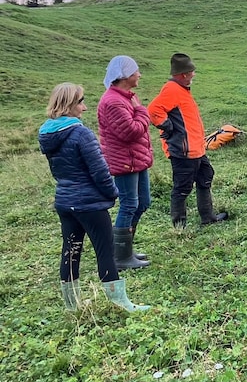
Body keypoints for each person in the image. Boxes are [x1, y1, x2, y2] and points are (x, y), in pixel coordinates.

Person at [39, 83, 150, 313]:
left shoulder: (47, 133)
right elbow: (100, 171)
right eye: (80, 102)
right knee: (105, 252)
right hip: (89, 204)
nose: (84, 107)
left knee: (71, 251)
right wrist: (113, 193)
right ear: (69, 105)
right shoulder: (80, 133)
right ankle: (120, 302)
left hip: (65, 201)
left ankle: (72, 304)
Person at [148, 53, 228, 228]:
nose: (194, 75)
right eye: (192, 72)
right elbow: (153, 110)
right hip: (183, 150)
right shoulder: (171, 89)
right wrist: (167, 126)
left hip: (196, 148)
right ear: (183, 74)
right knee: (182, 187)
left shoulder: (180, 89)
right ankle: (179, 225)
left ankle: (208, 217)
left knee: (206, 176)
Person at [97, 55, 152, 270]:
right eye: (136, 71)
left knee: (143, 203)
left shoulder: (124, 97)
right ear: (126, 75)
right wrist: (141, 111)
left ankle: (123, 248)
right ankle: (120, 256)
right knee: (129, 205)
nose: (139, 74)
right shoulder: (112, 102)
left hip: (135, 160)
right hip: (125, 162)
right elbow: (131, 131)